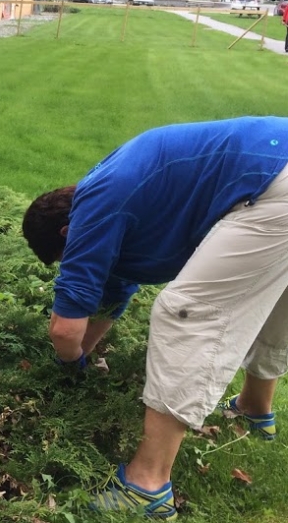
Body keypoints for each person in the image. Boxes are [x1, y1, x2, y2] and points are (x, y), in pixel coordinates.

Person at [21, 116, 288, 520]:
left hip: (273, 178)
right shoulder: (126, 206)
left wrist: (70, 365)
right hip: (274, 170)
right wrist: (85, 354)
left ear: (66, 234)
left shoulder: (94, 205)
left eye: (66, 257)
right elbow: (111, 294)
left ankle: (145, 485)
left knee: (185, 312)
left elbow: (64, 330)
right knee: (277, 296)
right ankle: (254, 407)